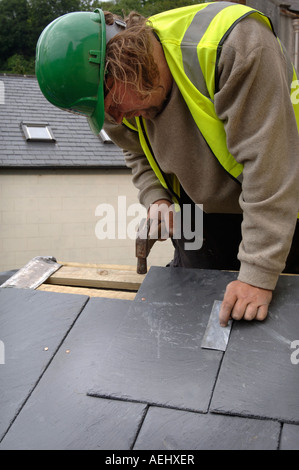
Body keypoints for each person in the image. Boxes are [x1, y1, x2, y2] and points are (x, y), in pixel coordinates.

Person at [36, 1, 299, 327]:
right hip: (205, 212)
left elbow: (270, 168)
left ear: (126, 63)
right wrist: (156, 197)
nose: (114, 120)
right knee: (195, 323)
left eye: (112, 105)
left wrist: (258, 274)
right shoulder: (121, 103)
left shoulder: (232, 46)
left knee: (279, 332)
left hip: (282, 208)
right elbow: (135, 152)